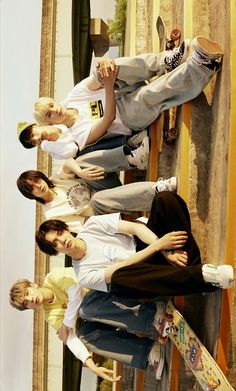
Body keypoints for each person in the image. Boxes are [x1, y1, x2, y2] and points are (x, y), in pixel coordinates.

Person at [30, 36, 222, 155]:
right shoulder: (76, 136)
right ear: (50, 123)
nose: (55, 110)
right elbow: (108, 118)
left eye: (51, 105)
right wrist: (107, 84)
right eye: (49, 114)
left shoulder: (73, 98)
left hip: (121, 90)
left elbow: (97, 78)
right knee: (149, 94)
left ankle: (166, 61)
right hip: (126, 118)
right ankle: (202, 66)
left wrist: (104, 67)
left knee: (104, 70)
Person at [35, 191, 234, 299]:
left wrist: (165, 249)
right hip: (145, 275)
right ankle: (203, 276)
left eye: (60, 233)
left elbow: (136, 229)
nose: (62, 241)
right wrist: (159, 247)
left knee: (164, 199)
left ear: (66, 228)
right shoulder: (84, 276)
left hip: (153, 248)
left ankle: (191, 267)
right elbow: (125, 266)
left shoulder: (92, 225)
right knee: (120, 278)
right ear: (55, 251)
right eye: (56, 244)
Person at [10, 267, 171, 380]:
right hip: (104, 314)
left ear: (32, 285)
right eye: (26, 303)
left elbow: (76, 292)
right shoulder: (49, 314)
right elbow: (71, 338)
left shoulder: (53, 277)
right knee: (84, 336)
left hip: (109, 288)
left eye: (27, 294)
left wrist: (67, 323)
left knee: (84, 309)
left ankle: (154, 315)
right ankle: (149, 351)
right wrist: (91, 365)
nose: (31, 300)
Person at [17, 169, 177, 232]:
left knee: (83, 163)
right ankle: (157, 190)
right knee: (99, 200)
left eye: (37, 180)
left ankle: (131, 152)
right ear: (31, 195)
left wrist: (80, 171)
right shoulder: (51, 215)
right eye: (32, 188)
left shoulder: (56, 180)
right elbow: (84, 224)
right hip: (101, 211)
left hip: (105, 189)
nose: (39, 186)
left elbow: (69, 164)